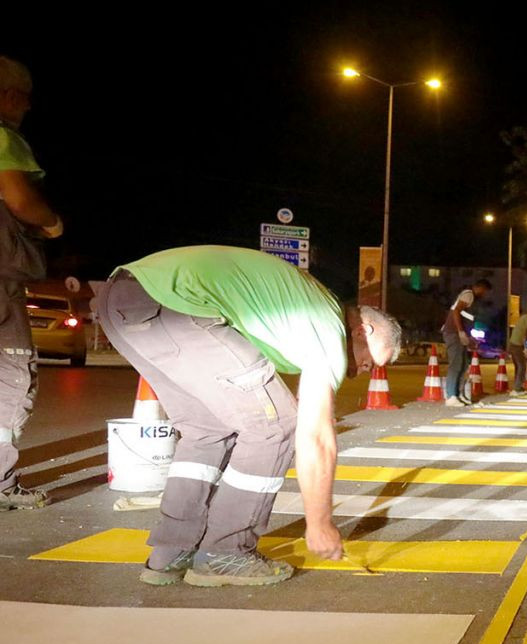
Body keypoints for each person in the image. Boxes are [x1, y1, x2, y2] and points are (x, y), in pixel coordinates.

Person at [93, 246, 401, 587]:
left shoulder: (302, 310)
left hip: (123, 298)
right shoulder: (327, 326)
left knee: (208, 431)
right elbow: (315, 435)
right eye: (371, 362)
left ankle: (171, 552)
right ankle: (227, 552)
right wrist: (320, 521)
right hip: (174, 304)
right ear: (364, 331)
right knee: (276, 427)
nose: (361, 372)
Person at [0, 56, 62, 510]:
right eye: (22, 97)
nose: (24, 107)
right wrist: (52, 223)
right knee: (11, 378)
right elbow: (21, 199)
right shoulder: (4, 138)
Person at [441, 278, 490, 407]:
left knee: (463, 365)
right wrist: (461, 332)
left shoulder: (472, 300)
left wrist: (469, 338)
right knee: (456, 364)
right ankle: (451, 396)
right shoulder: (469, 295)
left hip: (458, 334)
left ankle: (457, 394)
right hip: (454, 333)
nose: (484, 294)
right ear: (479, 287)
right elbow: (457, 311)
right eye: (484, 291)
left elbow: (465, 318)